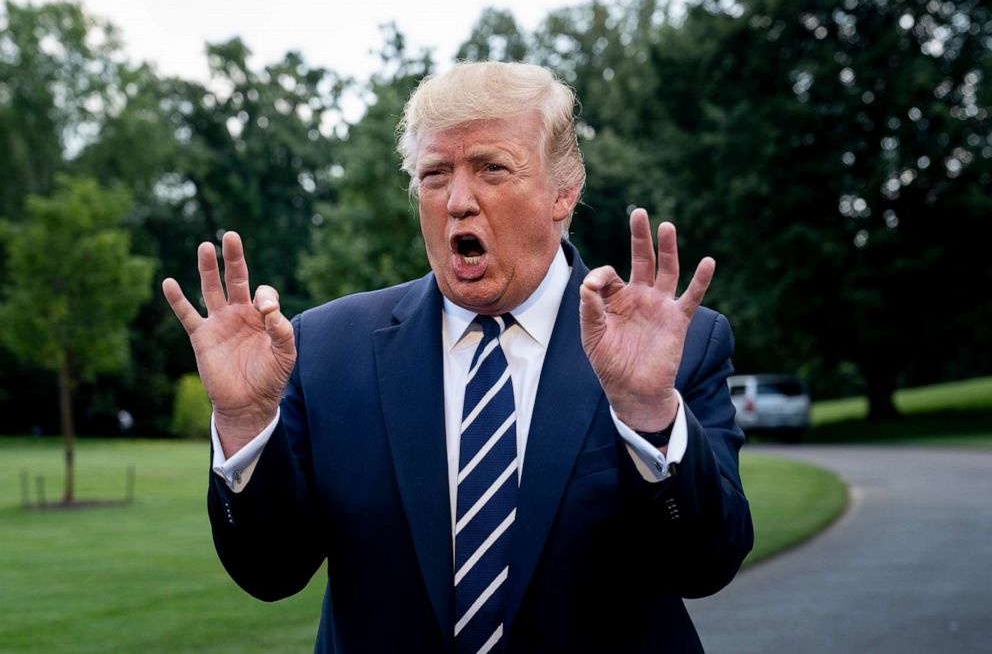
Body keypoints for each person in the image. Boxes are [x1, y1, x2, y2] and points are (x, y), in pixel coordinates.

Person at [163, 61, 752, 653]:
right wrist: (242, 421)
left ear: (563, 191)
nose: (458, 201)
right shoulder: (324, 349)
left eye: (492, 168)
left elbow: (705, 566)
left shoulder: (677, 346)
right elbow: (270, 572)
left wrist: (648, 411)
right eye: (435, 174)